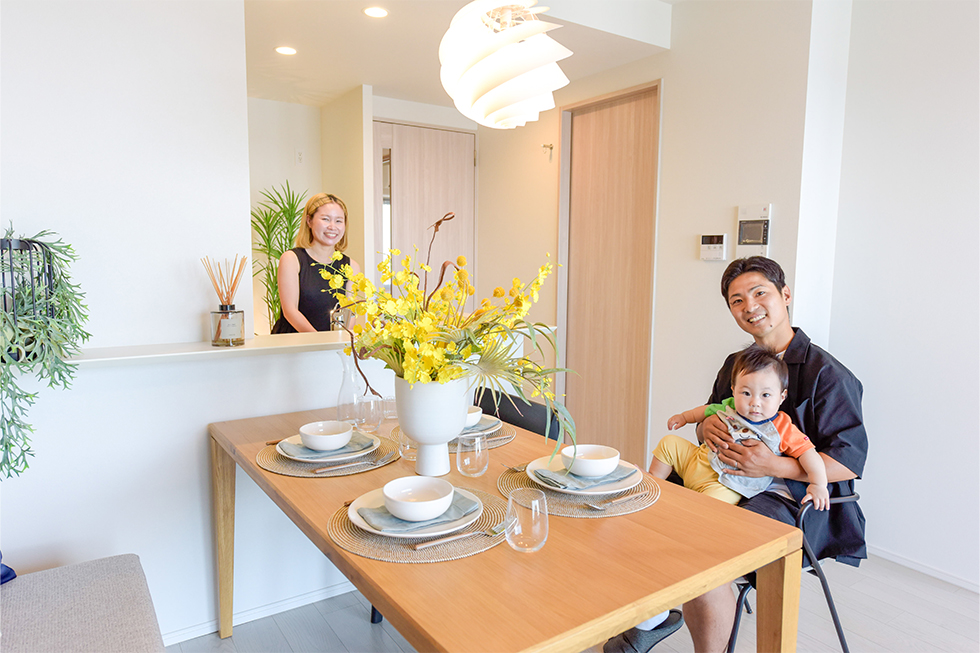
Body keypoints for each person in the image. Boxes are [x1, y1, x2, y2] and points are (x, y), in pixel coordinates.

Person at [604, 256, 867, 653]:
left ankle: (664, 622)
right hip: (723, 476)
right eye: (737, 300)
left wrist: (772, 465)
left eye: (760, 293)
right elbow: (712, 417)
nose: (750, 307)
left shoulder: (828, 374)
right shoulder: (735, 364)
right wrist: (704, 428)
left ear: (785, 295)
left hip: (795, 500)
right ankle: (652, 616)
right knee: (647, 511)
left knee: (703, 551)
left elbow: (847, 462)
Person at [652, 344, 829, 509]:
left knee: (709, 507)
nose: (755, 403)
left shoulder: (781, 427)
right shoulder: (729, 406)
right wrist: (684, 417)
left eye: (765, 395)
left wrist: (818, 484)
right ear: (733, 390)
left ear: (782, 397)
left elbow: (808, 453)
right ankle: (651, 483)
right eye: (746, 393)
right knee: (669, 443)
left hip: (726, 484)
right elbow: (705, 411)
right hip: (696, 461)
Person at [271, 193, 361, 333]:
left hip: (331, 343)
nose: (332, 227)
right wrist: (320, 341)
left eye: (338, 221)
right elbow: (290, 311)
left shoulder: (351, 267)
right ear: (309, 221)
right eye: (325, 219)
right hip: (293, 342)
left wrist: (340, 340)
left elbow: (350, 314)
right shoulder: (291, 259)